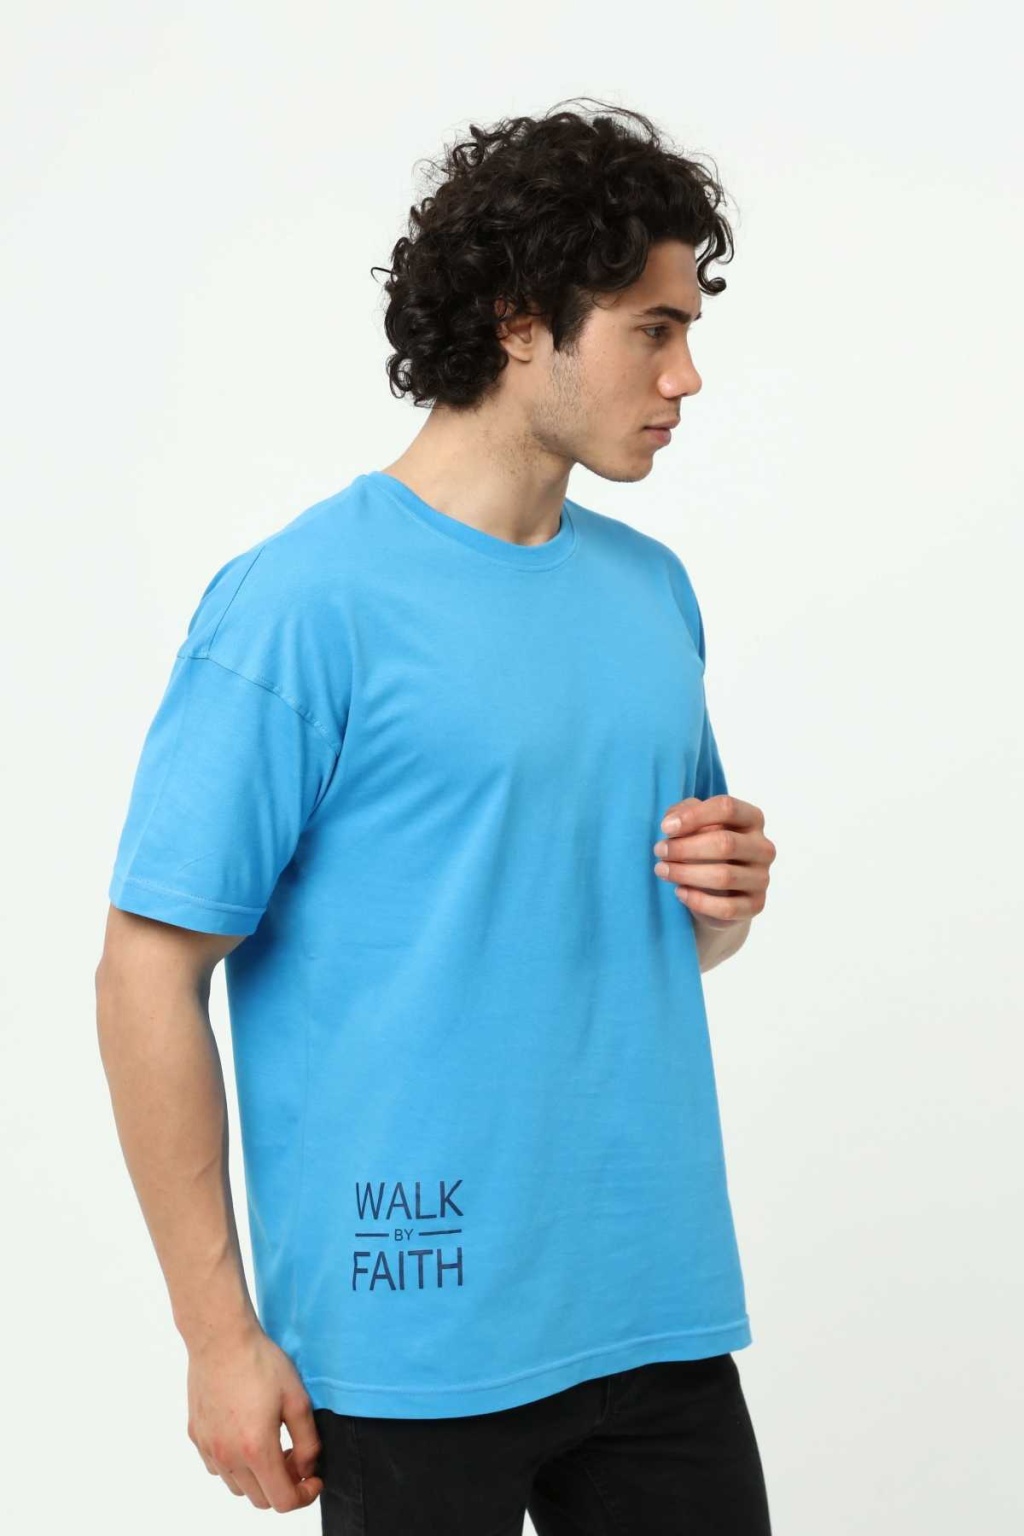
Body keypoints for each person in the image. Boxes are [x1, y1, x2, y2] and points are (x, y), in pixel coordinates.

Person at [96, 98, 777, 1534]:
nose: (688, 374)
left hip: (651, 1302)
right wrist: (218, 1340)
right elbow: (147, 971)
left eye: (689, 329)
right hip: (411, 1333)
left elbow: (654, 932)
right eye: (653, 329)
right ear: (522, 321)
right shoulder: (303, 605)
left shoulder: (652, 594)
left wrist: (720, 905)